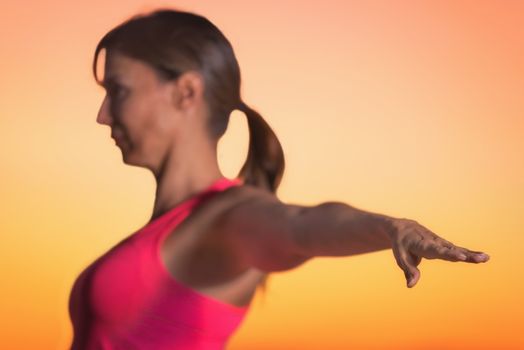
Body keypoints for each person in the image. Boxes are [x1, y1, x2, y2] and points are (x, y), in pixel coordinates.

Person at [68, 7, 490, 350]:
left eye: (118, 90)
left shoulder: (228, 218)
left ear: (186, 93)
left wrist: (390, 229)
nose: (102, 115)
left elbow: (301, 226)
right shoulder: (181, 224)